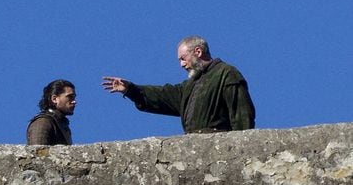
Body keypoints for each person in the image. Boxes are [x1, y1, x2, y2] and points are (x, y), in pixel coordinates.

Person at [102, 36, 255, 133]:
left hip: (220, 146)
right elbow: (164, 95)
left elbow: (241, 115)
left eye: (183, 58)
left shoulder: (226, 74)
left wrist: (241, 149)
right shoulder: (190, 86)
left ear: (198, 52)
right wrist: (131, 90)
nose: (182, 64)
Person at [27, 79, 76, 145]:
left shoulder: (62, 125)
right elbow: (37, 152)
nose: (74, 101)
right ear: (54, 99)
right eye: (70, 97)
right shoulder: (43, 121)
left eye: (74, 97)